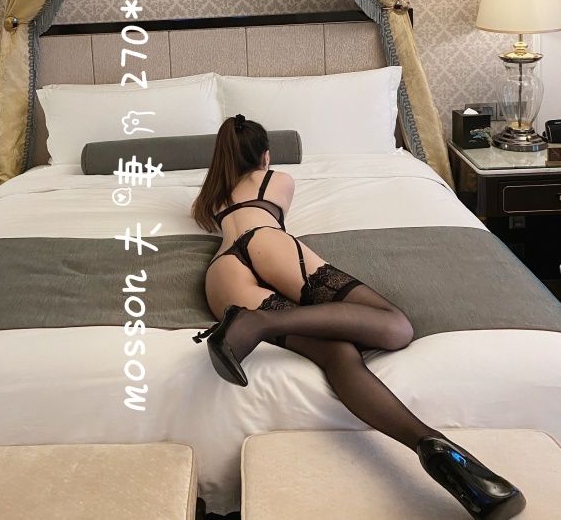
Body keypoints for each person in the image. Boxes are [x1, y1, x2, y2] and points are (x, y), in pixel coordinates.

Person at [191, 115, 525, 520]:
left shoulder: (207, 199)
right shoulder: (276, 179)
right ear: (265, 155)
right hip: (266, 242)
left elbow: (214, 215)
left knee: (337, 352)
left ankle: (440, 453)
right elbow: (272, 217)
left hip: (222, 275)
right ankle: (262, 322)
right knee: (395, 325)